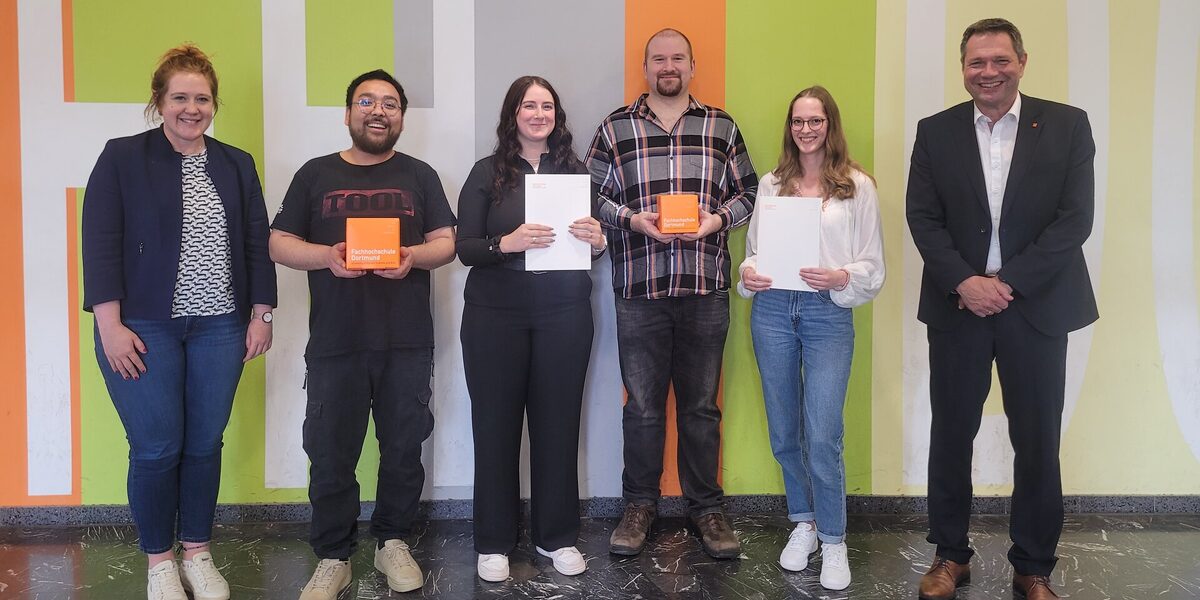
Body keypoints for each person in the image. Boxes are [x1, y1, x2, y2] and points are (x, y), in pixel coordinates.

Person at [906, 18, 1097, 600]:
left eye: (999, 60)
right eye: (976, 62)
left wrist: (1006, 283)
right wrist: (966, 281)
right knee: (951, 434)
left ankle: (1034, 566)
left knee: (1037, 439)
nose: (988, 72)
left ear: (1022, 61)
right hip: (958, 304)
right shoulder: (935, 131)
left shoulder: (1065, 124)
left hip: (1035, 306)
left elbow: (1075, 220)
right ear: (963, 68)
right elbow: (924, 218)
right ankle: (949, 556)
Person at [82, 44, 277, 600]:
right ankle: (160, 562)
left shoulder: (235, 163)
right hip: (144, 328)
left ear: (214, 104)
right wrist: (110, 326)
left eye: (203, 98)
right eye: (180, 97)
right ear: (159, 101)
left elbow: (255, 244)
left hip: (220, 326)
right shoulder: (121, 156)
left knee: (204, 443)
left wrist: (260, 314)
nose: (192, 108)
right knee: (156, 447)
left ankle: (197, 552)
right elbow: (100, 245)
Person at [269, 69, 457, 599]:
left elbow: (447, 242)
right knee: (331, 453)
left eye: (390, 104)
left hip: (406, 341)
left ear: (400, 117)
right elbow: (279, 242)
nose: (379, 111)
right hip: (335, 341)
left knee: (403, 448)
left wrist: (411, 258)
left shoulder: (420, 175)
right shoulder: (315, 174)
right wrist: (327, 257)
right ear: (348, 112)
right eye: (367, 101)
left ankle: (392, 540)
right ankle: (334, 556)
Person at [585, 28, 758, 559]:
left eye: (677, 57)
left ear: (690, 65)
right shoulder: (616, 128)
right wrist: (633, 220)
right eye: (658, 58)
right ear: (646, 67)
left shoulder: (721, 126)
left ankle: (706, 507)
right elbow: (590, 194)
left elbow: (750, 193)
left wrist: (717, 221)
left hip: (705, 287)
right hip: (639, 288)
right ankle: (640, 505)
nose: (668, 66)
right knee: (641, 407)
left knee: (702, 407)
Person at [456, 75, 606, 582]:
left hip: (564, 314)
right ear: (512, 114)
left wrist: (598, 238)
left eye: (547, 106)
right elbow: (465, 248)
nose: (538, 114)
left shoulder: (576, 173)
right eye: (529, 105)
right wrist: (508, 243)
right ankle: (494, 541)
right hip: (494, 316)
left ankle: (556, 536)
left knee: (558, 424)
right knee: (495, 426)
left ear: (556, 116)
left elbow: (595, 241)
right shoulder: (486, 172)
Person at [738, 86, 884, 590]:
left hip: (827, 314)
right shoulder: (771, 184)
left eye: (815, 120)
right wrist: (750, 273)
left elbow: (872, 265)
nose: (806, 129)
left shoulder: (857, 186)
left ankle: (835, 539)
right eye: (798, 121)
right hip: (774, 309)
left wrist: (841, 277)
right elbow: (754, 252)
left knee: (823, 433)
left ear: (830, 125)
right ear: (790, 127)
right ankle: (804, 522)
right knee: (784, 430)